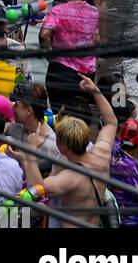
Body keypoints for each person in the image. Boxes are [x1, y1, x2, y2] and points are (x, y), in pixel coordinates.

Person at [13, 76, 117, 228]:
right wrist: (96, 91)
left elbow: (34, 189)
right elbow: (111, 122)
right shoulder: (101, 154)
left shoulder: (69, 178)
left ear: (63, 147)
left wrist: (31, 152)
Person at [40, 0, 101, 113]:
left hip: (61, 72)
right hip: (86, 74)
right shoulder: (94, 12)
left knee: (60, 116)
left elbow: (44, 35)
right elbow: (96, 39)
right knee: (80, 113)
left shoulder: (57, 11)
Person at [6, 82, 61, 177]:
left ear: (29, 111)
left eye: (16, 105)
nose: (12, 107)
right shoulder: (13, 129)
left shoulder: (50, 145)